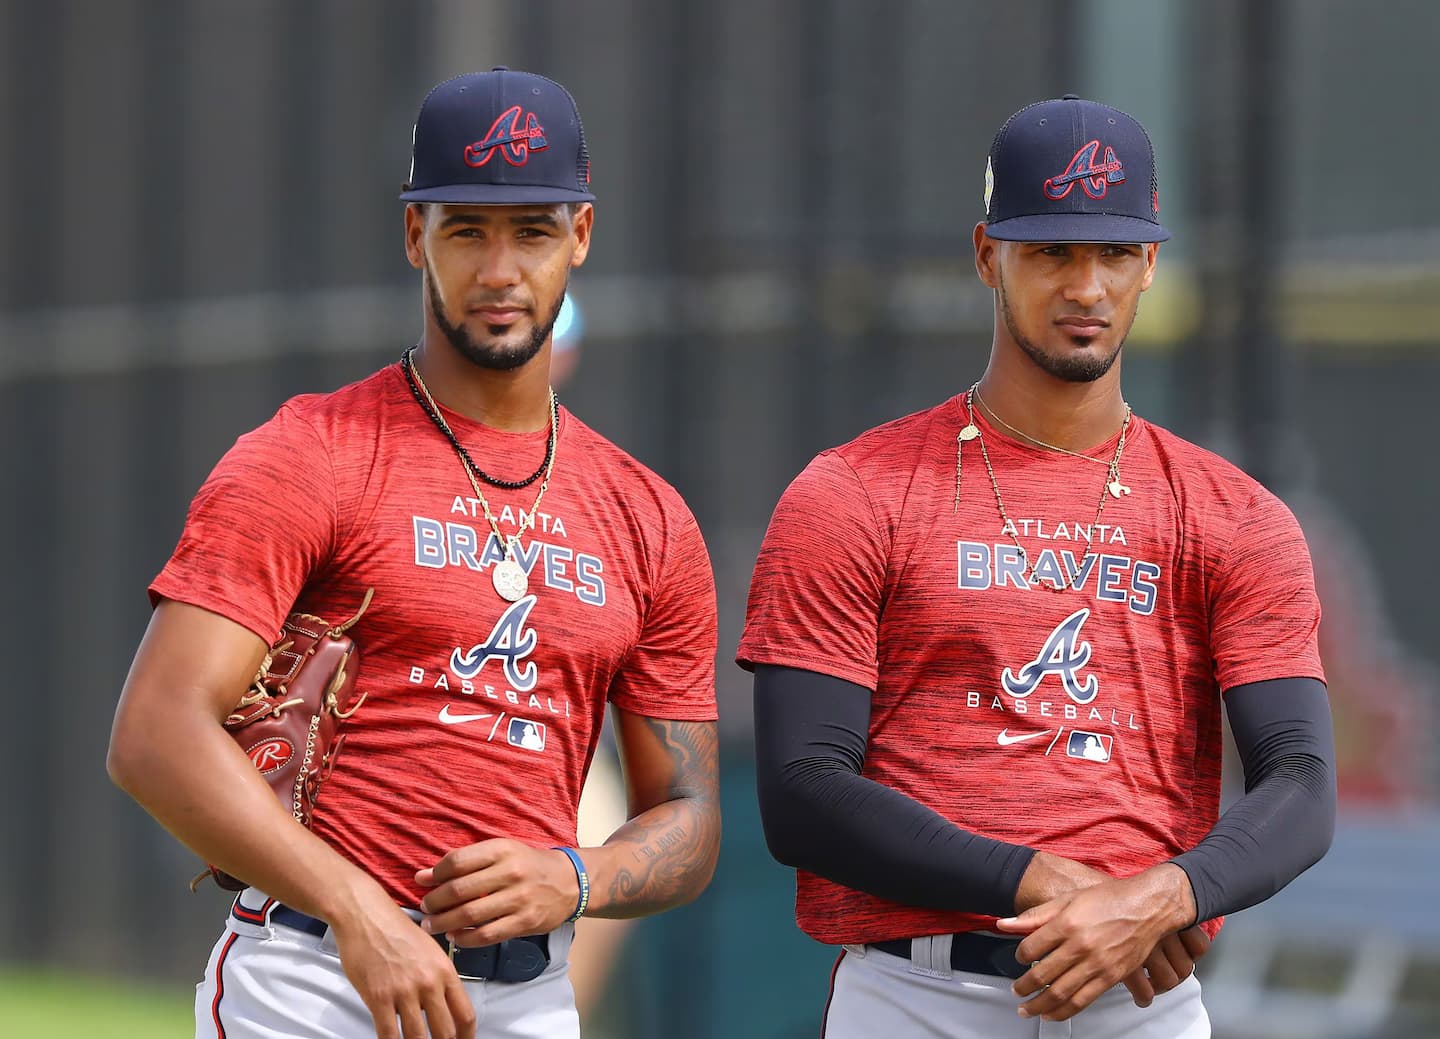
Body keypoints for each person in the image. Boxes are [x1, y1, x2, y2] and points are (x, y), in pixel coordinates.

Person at [108, 67, 721, 1039]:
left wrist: (578, 872)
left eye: (531, 231)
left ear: (582, 237)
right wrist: (357, 909)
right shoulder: (312, 453)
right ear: (414, 238)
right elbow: (154, 733)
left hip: (525, 1000)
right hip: (315, 980)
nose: (500, 269)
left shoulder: (647, 516)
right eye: (465, 229)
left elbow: (687, 818)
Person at [738, 94, 1336, 1037]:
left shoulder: (1235, 515)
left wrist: (1167, 895)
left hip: (1138, 998)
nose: (1085, 286)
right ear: (988, 256)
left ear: (1149, 266)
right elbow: (802, 788)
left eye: (1112, 253)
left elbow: (1301, 777)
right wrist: (1045, 879)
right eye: (1051, 250)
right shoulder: (855, 490)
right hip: (917, 993)